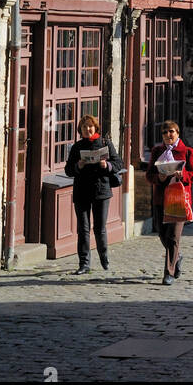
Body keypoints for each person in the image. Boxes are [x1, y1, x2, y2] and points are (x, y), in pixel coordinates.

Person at [64, 115, 124, 274]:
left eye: (90, 126)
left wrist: (107, 165)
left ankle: (104, 256)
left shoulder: (105, 143)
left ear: (95, 128)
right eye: (84, 127)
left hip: (101, 190)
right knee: (83, 229)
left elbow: (118, 163)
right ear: (80, 130)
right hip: (82, 191)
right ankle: (84, 263)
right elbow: (68, 170)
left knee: (99, 228)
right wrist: (79, 165)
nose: (87, 129)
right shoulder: (77, 147)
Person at [146, 120, 193, 286]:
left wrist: (182, 175)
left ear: (177, 133)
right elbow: (149, 175)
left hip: (178, 200)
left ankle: (168, 273)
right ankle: (178, 256)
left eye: (171, 132)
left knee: (173, 237)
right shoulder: (157, 151)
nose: (168, 135)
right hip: (161, 198)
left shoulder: (187, 152)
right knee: (162, 233)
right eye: (165, 133)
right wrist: (158, 178)